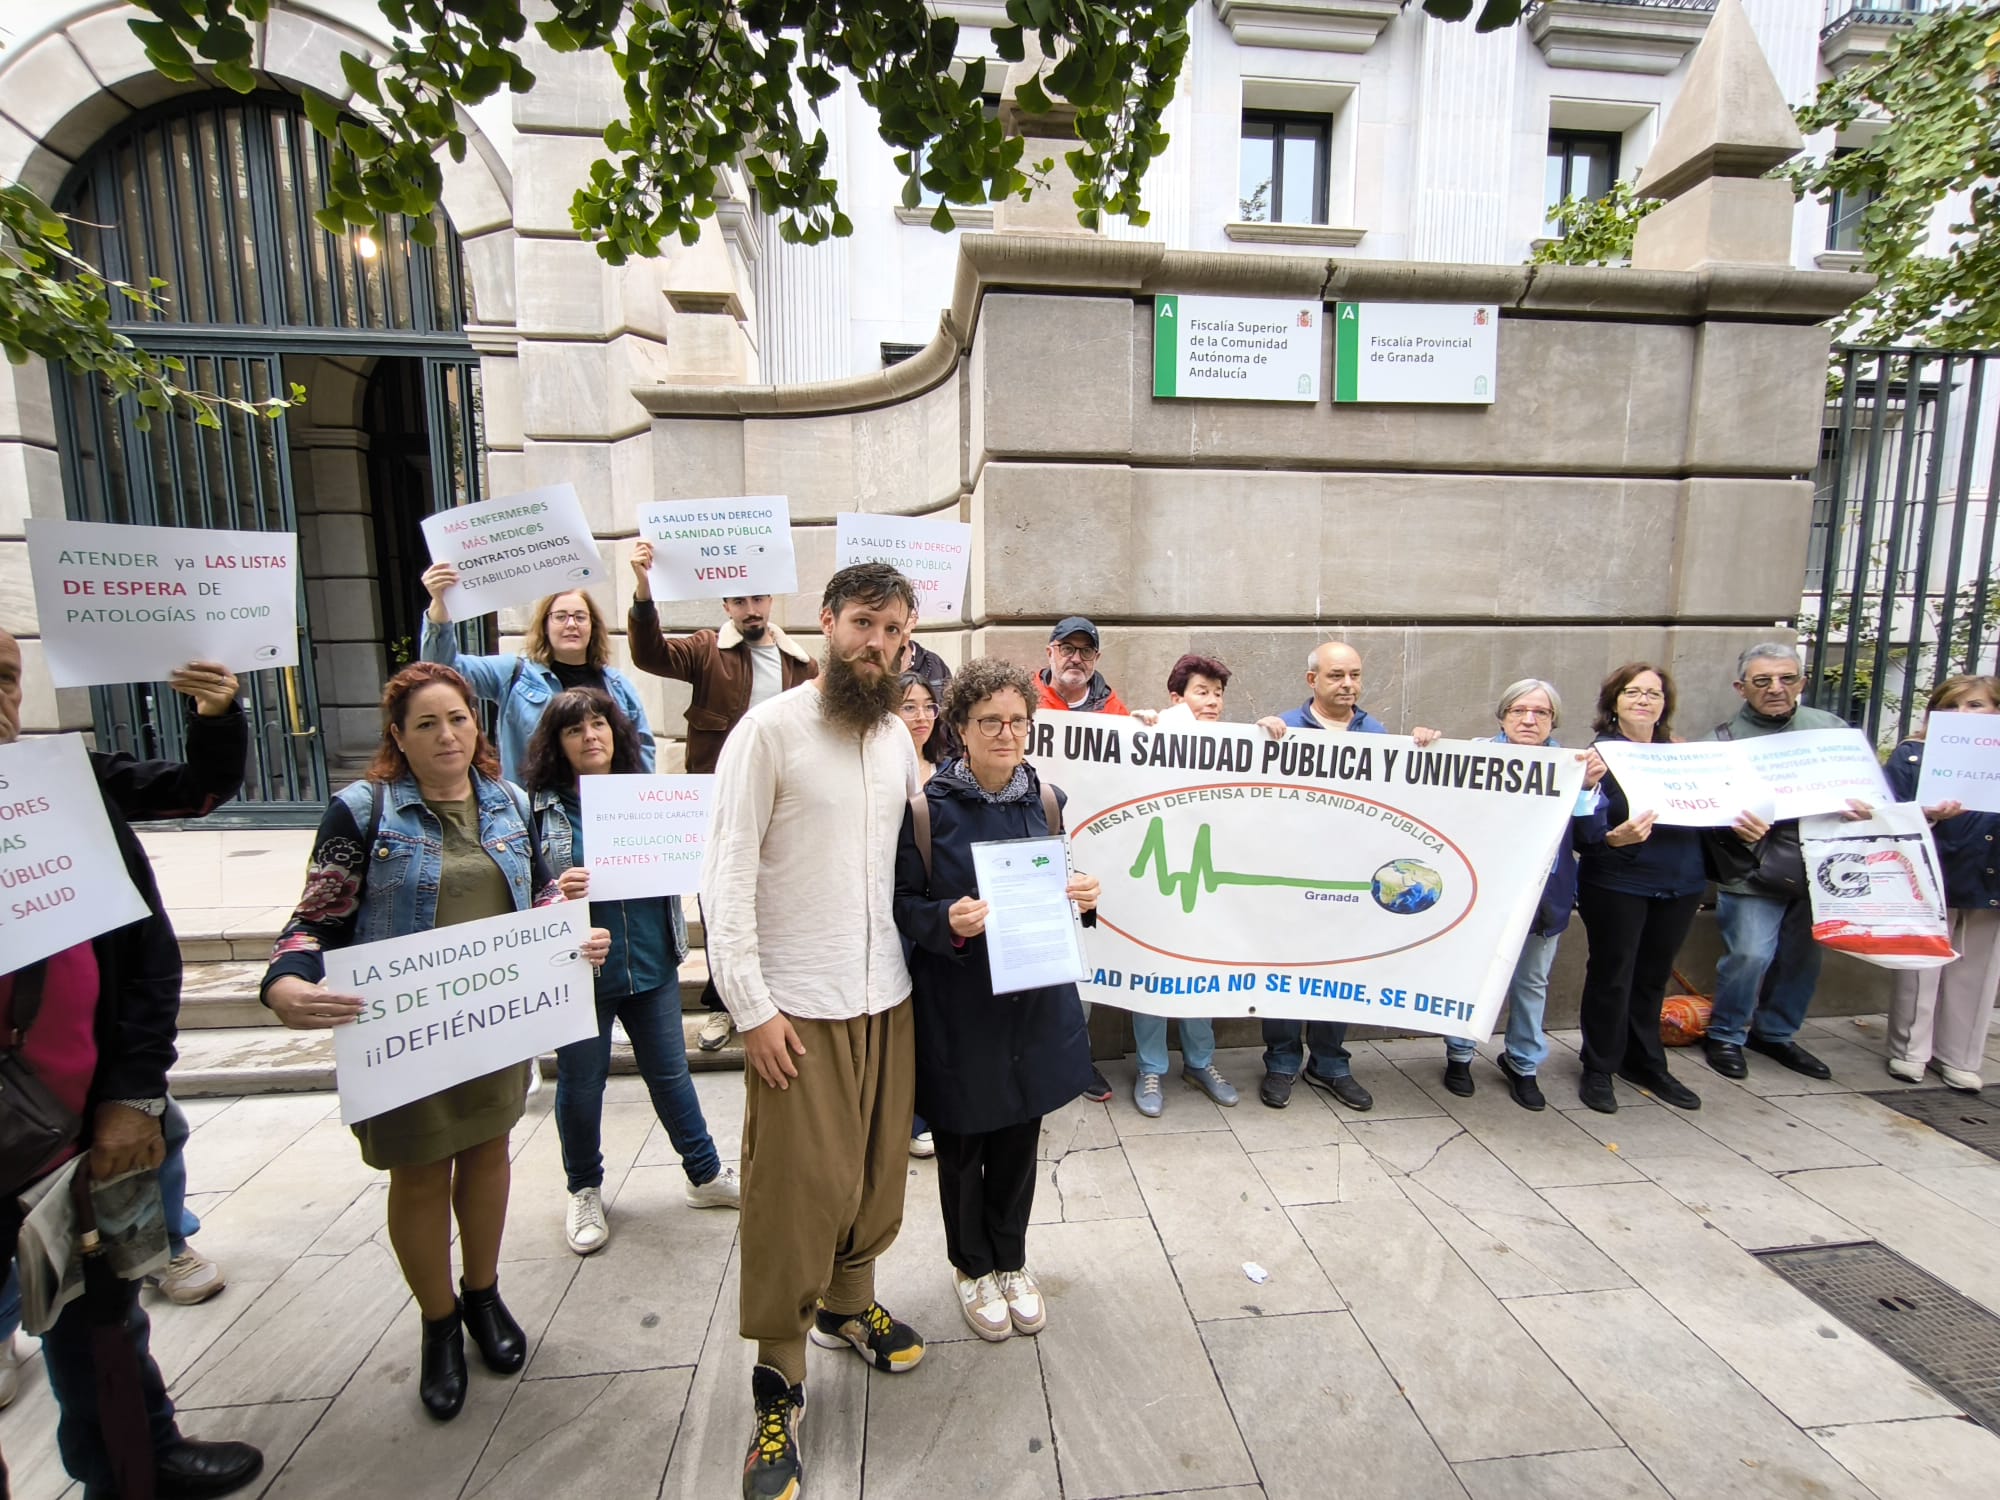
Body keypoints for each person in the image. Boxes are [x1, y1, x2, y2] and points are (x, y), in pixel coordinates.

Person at [260, 663, 608, 1421]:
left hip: (492, 1028)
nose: (447, 735)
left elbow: (542, 891)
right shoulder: (362, 812)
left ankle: (483, 1295)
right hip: (404, 1040)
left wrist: (571, 934)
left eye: (457, 719)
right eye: (427, 724)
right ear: (398, 737)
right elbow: (316, 916)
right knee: (418, 1175)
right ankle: (439, 1322)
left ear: (476, 726)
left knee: (487, 1156)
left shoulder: (508, 804)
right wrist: (285, 980)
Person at [0, 629, 263, 1498]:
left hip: (82, 1130)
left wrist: (131, 1094)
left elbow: (195, 794)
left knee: (102, 1317)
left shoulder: (63, 787)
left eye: (4, 678)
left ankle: (137, 1465)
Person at [704, 562, 929, 1500]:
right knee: (794, 1199)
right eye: (863, 624)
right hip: (796, 1012)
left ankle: (849, 1309)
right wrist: (750, 1007)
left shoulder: (895, 741)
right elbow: (724, 879)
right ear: (824, 624)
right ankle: (777, 1388)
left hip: (886, 998)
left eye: (895, 632)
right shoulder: (769, 732)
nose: (877, 645)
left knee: (874, 1179)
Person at [894, 658, 1097, 1341]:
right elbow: (902, 906)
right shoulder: (926, 812)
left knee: (1019, 1136)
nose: (1006, 734)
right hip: (961, 1007)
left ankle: (1011, 1259)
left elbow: (1057, 894)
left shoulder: (1047, 802)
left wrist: (1084, 900)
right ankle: (970, 1265)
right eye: (990, 722)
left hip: (1032, 1004)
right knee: (961, 1146)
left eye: (1017, 721)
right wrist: (943, 920)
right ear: (960, 727)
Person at [518, 687, 740, 1259]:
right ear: (556, 744)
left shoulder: (649, 798)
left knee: (671, 1076)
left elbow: (694, 858)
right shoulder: (534, 807)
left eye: (598, 724)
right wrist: (553, 890)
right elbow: (517, 889)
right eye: (574, 730)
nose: (590, 736)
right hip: (578, 969)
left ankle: (704, 1174)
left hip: (651, 958)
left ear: (615, 731)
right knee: (582, 1083)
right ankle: (584, 1189)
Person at [626, 547, 818, 1055]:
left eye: (758, 598)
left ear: (771, 600)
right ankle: (723, 1005)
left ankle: (769, 998)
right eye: (739, 600)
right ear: (726, 604)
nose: (751, 609)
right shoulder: (707, 650)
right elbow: (650, 655)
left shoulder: (802, 663)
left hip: (784, 805)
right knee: (721, 903)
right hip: (720, 804)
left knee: (773, 901)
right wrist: (644, 591)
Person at [1436, 680, 1603, 1108]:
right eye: (1518, 711)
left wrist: (1584, 791)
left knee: (1531, 983)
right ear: (1502, 716)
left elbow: (1591, 836)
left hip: (1544, 900)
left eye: (1541, 713)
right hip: (1483, 895)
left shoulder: (1574, 766)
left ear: (1553, 720)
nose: (1529, 720)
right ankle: (1460, 1053)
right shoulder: (1476, 756)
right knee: (1471, 976)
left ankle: (1524, 1063)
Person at [1701, 642, 1860, 1083]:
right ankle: (1727, 1034)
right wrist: (1729, 824)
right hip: (1752, 869)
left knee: (1802, 956)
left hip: (1820, 864)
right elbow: (1701, 811)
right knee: (1750, 954)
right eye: (1763, 681)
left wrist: (1862, 805)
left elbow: (1865, 789)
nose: (1776, 688)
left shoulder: (1830, 730)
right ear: (1741, 687)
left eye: (1787, 678)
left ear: (1803, 682)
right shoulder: (1720, 743)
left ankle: (1775, 1033)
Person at [1250, 642, 1388, 1111]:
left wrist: (1424, 747)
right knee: (1285, 965)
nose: (1347, 685)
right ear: (1313, 680)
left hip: (1347, 878)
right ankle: (1282, 1061)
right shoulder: (1283, 727)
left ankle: (1330, 1062)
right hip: (1290, 876)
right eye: (1336, 676)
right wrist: (1259, 737)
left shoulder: (1377, 733)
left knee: (1339, 968)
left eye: (1355, 675)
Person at [1572, 663, 1705, 1115]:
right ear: (1614, 703)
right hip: (1618, 881)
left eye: (1653, 693)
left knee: (1652, 976)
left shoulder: (1684, 753)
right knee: (1612, 974)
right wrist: (1606, 828)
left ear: (1665, 703)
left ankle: (1646, 1061)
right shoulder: (1599, 756)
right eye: (1633, 692)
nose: (1644, 700)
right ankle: (1598, 1065)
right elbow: (1581, 828)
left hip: (1679, 880)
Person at [1130, 654, 1240, 1115]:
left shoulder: (1238, 744)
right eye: (1201, 692)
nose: (1212, 701)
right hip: (1158, 879)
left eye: (1217, 693)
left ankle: (1200, 1062)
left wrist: (1271, 731)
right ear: (1176, 698)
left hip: (1207, 881)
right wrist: (1137, 729)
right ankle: (1150, 1067)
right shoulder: (1152, 732)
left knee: (1200, 972)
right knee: (1150, 972)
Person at [420, 568, 657, 782]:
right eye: (561, 616)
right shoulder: (513, 674)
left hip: (604, 812)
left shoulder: (618, 685)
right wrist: (440, 604)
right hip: (536, 817)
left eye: (580, 617)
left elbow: (642, 748)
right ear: (545, 625)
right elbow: (442, 670)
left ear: (592, 626)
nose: (571, 624)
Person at [1884, 675, 2000, 1090]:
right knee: (1922, 965)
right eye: (1951, 707)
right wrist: (1929, 814)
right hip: (1931, 871)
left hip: (1989, 870)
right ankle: (1909, 1050)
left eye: (1975, 706)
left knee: (1978, 969)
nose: (1962, 715)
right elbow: (1887, 810)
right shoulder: (1912, 755)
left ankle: (1961, 1056)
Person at [1035, 616, 1132, 1102]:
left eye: (1085, 651)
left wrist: (1151, 729)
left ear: (1095, 659)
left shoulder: (1117, 712)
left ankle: (1077, 1061)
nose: (1076, 658)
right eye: (1066, 648)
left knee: (1085, 961)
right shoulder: (1023, 702)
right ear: (1050, 652)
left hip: (1093, 857)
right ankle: (1031, 1061)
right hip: (1032, 850)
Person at [896, 673, 947, 1159]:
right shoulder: (878, 766)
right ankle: (908, 1117)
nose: (920, 717)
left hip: (940, 912)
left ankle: (932, 1110)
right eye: (908, 707)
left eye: (928, 706)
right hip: (894, 910)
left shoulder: (948, 769)